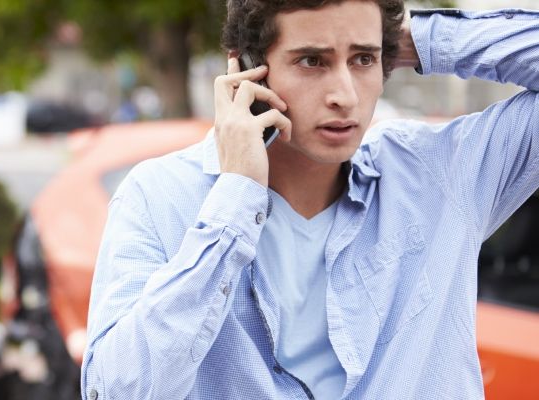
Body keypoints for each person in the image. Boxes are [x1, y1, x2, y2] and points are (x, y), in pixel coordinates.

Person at [81, 1, 539, 398]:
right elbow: (118, 390)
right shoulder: (160, 195)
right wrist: (235, 201)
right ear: (244, 71)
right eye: (312, 62)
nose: (344, 96)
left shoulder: (439, 175)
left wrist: (414, 39)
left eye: (363, 60)